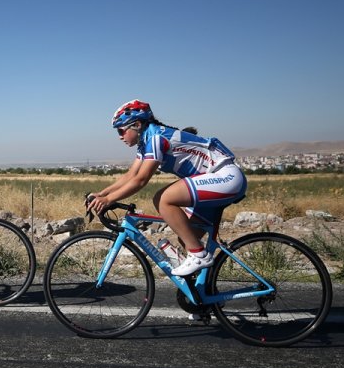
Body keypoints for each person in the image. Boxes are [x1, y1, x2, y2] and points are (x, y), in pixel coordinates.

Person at [86, 100, 247, 276]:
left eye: (121, 130)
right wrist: (102, 194)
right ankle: (201, 287)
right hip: (216, 181)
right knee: (187, 237)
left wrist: (108, 199)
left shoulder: (156, 138)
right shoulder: (146, 141)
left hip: (226, 177)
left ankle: (199, 256)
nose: (119, 136)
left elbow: (140, 180)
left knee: (163, 199)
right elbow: (130, 175)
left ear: (137, 125)